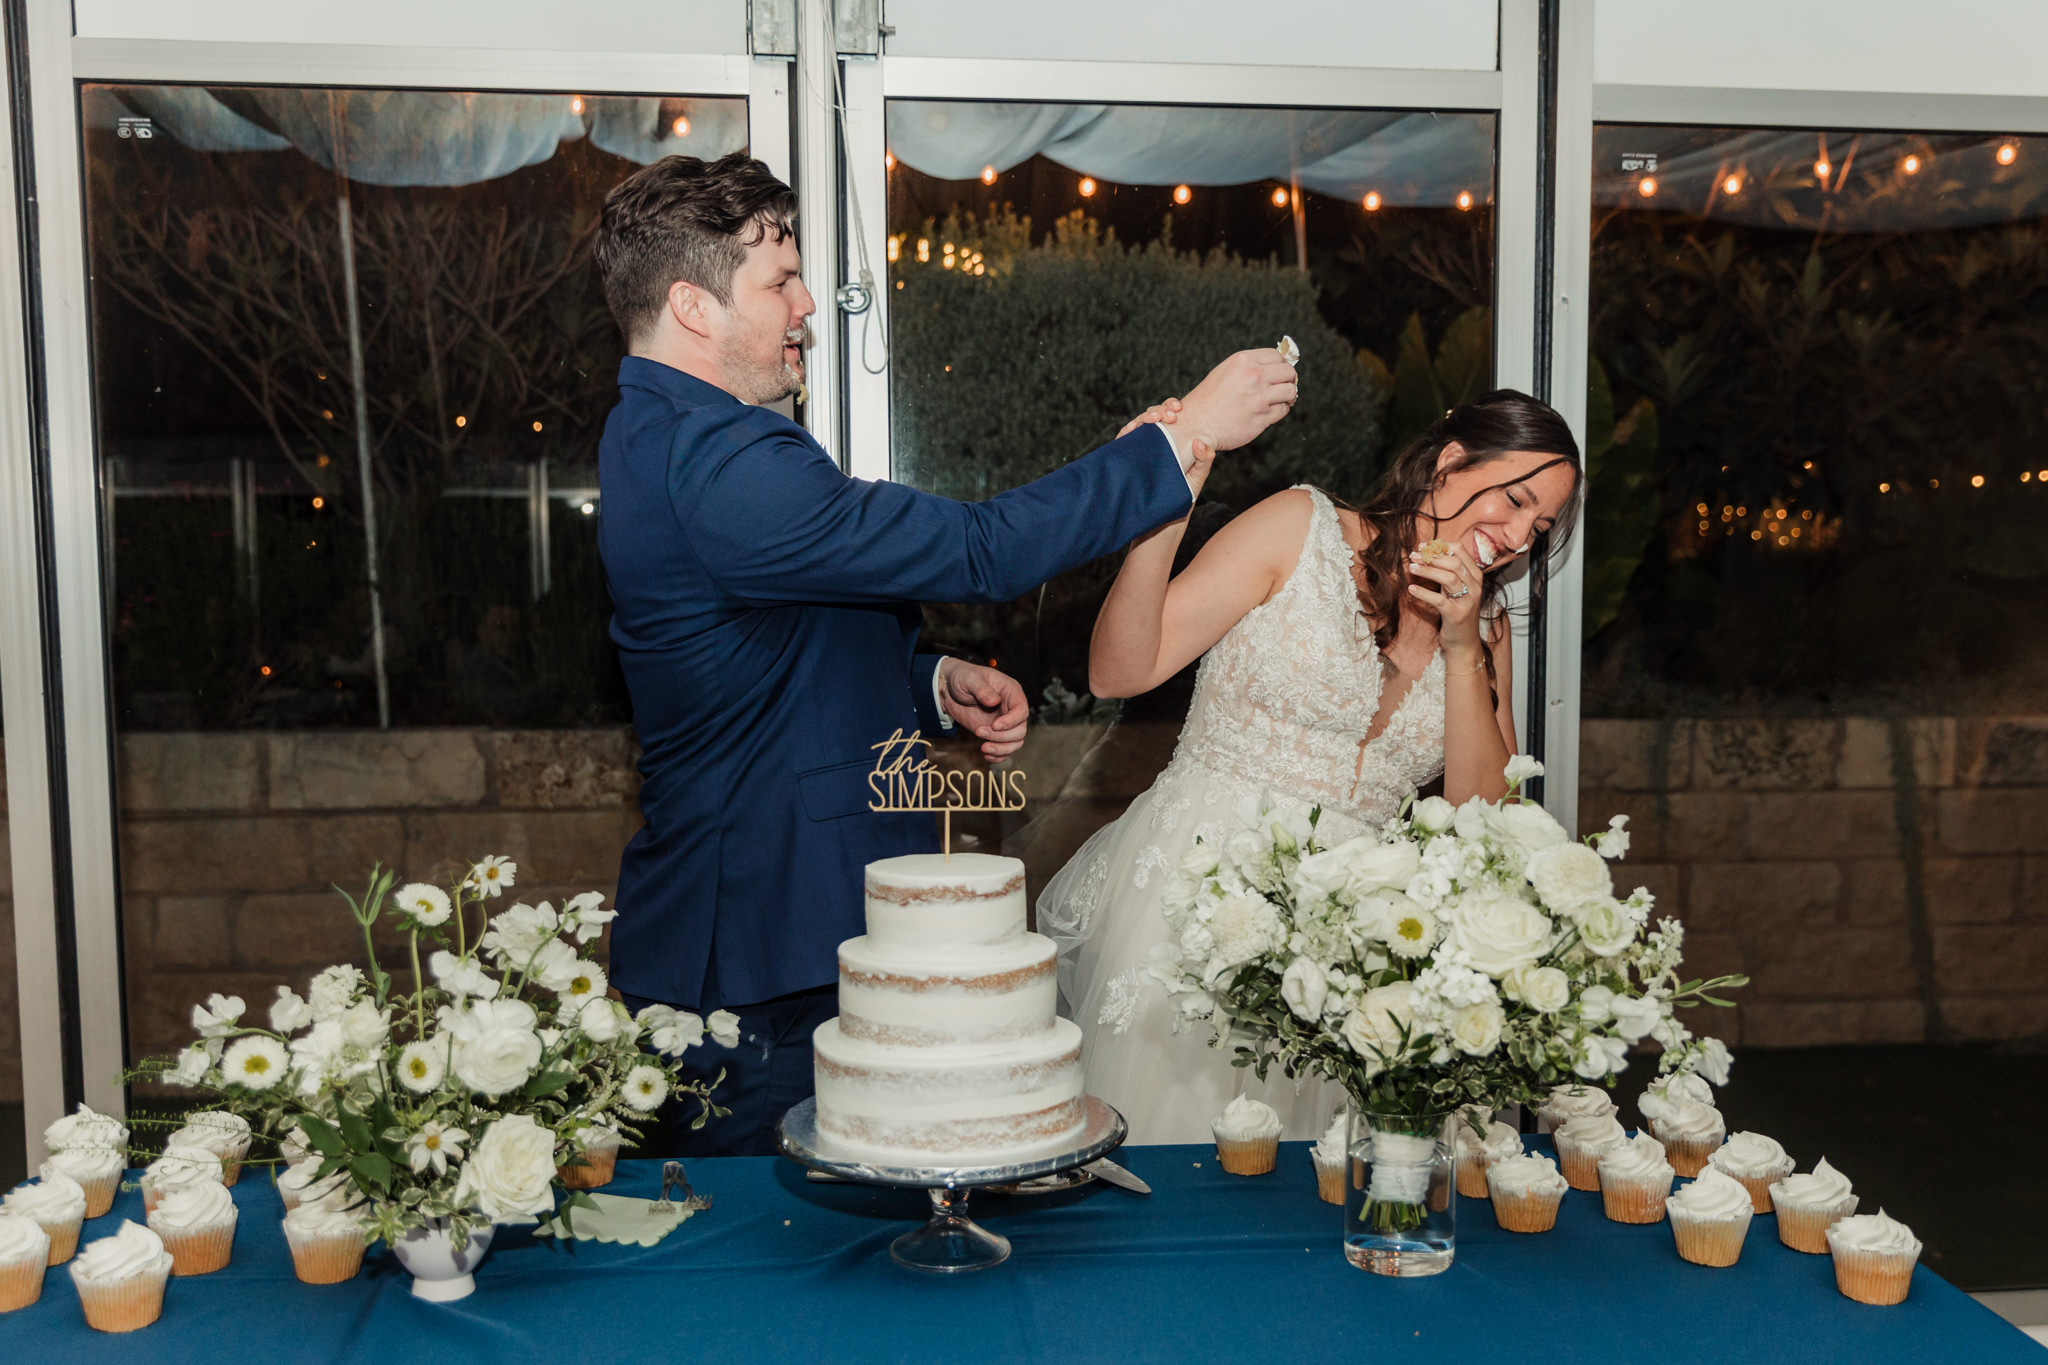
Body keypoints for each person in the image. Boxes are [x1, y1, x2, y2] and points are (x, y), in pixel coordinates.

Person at [590, 151, 1298, 1155]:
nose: (803, 306)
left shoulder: (661, 433)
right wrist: (1182, 438)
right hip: (758, 953)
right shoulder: (720, 461)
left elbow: (764, 636)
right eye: (778, 281)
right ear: (692, 309)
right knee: (775, 1263)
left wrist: (926, 679)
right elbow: (980, 550)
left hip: (761, 931)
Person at [1040, 391, 1583, 1145]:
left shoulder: (1485, 629)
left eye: (1541, 526)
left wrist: (1463, 648)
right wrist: (1160, 521)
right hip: (1198, 902)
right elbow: (1116, 671)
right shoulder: (1299, 528)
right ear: (1453, 461)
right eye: (1518, 499)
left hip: (1354, 950)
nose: (1521, 535)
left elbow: (1482, 828)